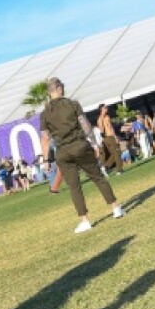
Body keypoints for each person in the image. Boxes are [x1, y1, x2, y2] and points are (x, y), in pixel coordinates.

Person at [38, 77, 122, 233]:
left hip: (62, 152)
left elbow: (45, 138)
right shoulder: (73, 104)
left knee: (74, 187)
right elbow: (85, 125)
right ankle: (115, 208)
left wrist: (46, 160)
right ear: (58, 88)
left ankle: (84, 220)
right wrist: (94, 143)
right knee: (98, 177)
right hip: (80, 145)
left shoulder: (45, 113)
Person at [96, 105, 125, 176]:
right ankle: (119, 170)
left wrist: (115, 136)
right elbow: (101, 129)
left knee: (113, 153)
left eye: (107, 107)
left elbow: (111, 128)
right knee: (117, 153)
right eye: (105, 108)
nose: (107, 109)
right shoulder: (100, 118)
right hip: (108, 137)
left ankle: (106, 166)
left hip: (110, 136)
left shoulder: (107, 117)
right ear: (101, 109)